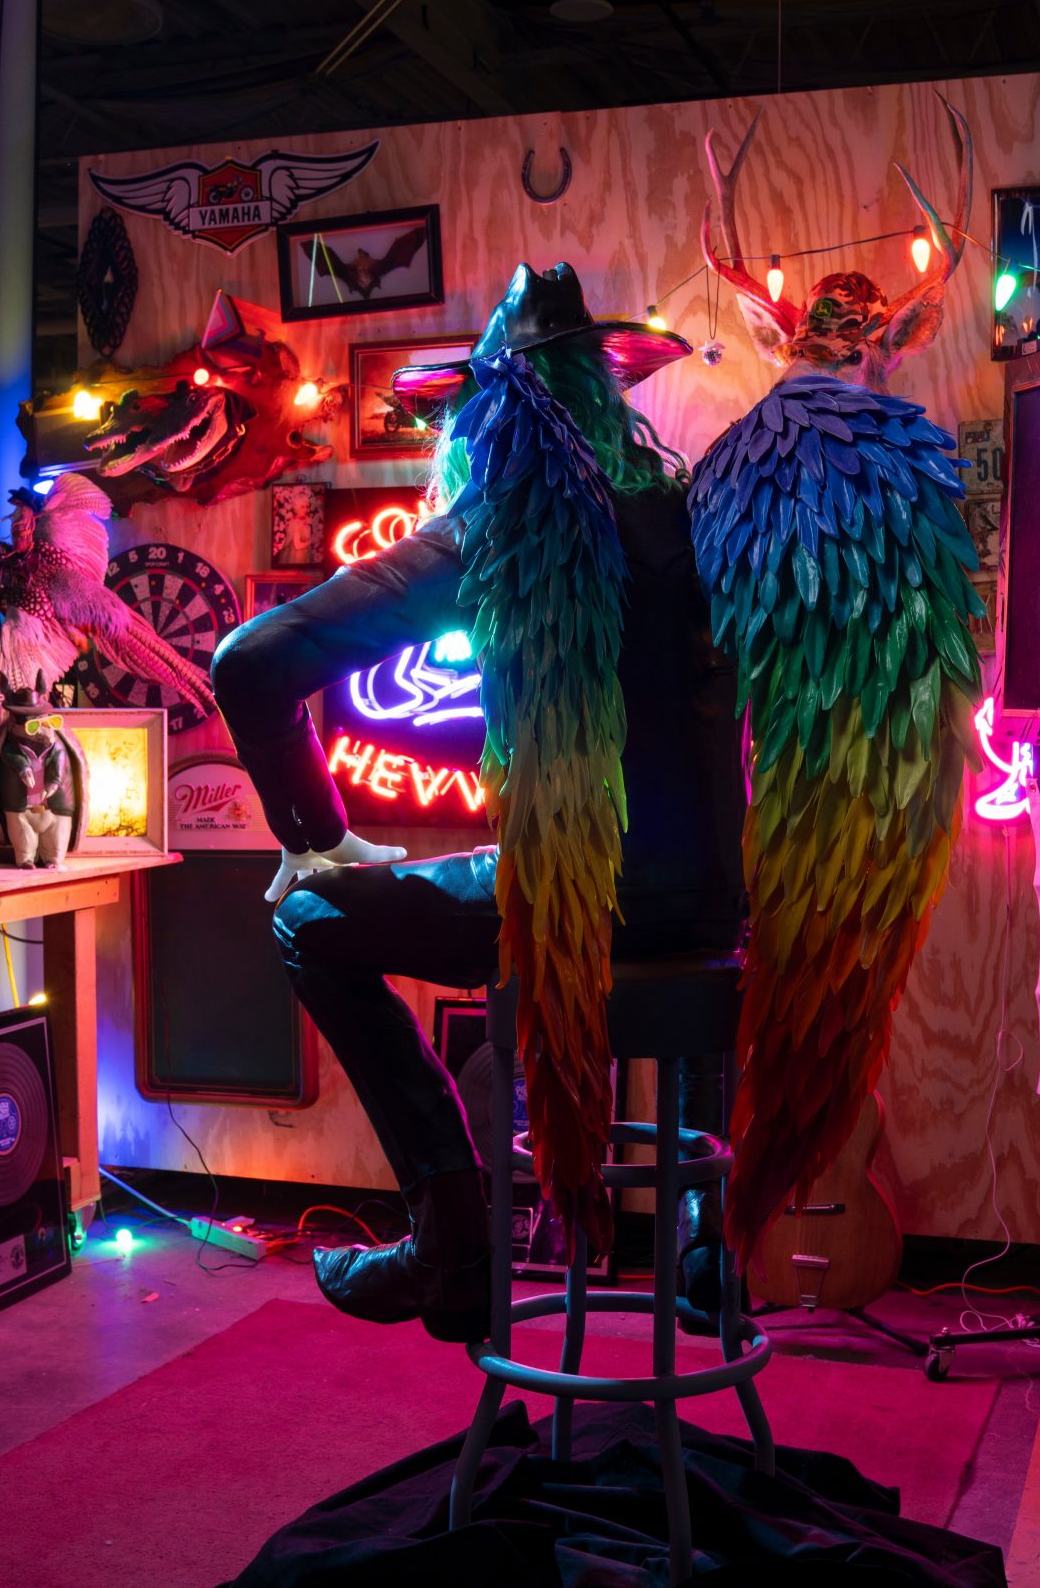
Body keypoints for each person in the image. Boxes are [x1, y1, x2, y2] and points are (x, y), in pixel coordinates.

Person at [210, 264, 745, 1341]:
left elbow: (248, 664)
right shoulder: (702, 518)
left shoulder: (497, 529)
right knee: (691, 918)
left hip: (564, 907)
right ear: (608, 395)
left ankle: (454, 1242)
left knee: (307, 921)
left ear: (478, 415)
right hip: (718, 913)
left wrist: (319, 842)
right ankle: (704, 1240)